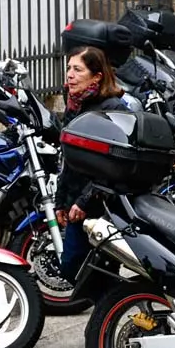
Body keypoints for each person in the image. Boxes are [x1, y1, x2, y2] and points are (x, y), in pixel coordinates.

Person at [54, 45, 128, 280]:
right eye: (68, 68)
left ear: (97, 76)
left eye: (78, 69)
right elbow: (70, 160)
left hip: (101, 203)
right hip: (77, 202)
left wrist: (85, 201)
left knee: (99, 270)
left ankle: (112, 311)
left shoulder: (113, 109)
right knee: (73, 268)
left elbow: (113, 164)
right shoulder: (75, 105)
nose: (70, 75)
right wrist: (61, 202)